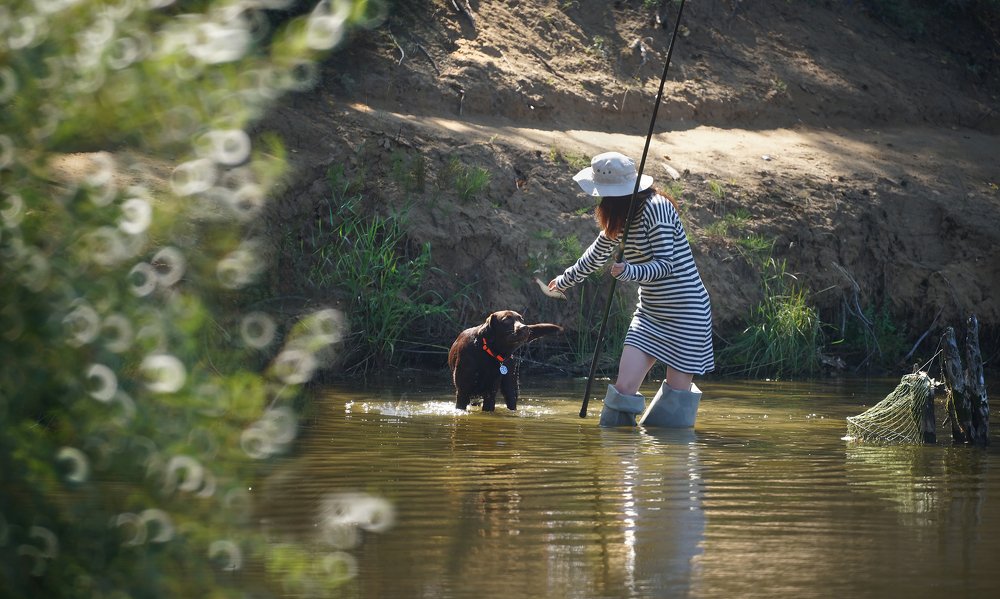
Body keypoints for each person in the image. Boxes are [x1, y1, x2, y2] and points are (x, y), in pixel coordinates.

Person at [548, 151, 714, 427]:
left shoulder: (656, 207)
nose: (600, 199)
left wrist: (630, 271)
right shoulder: (620, 214)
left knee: (675, 400)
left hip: (687, 313)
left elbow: (665, 265)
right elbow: (597, 253)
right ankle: (619, 459)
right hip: (650, 314)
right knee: (623, 389)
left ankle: (670, 458)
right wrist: (566, 279)